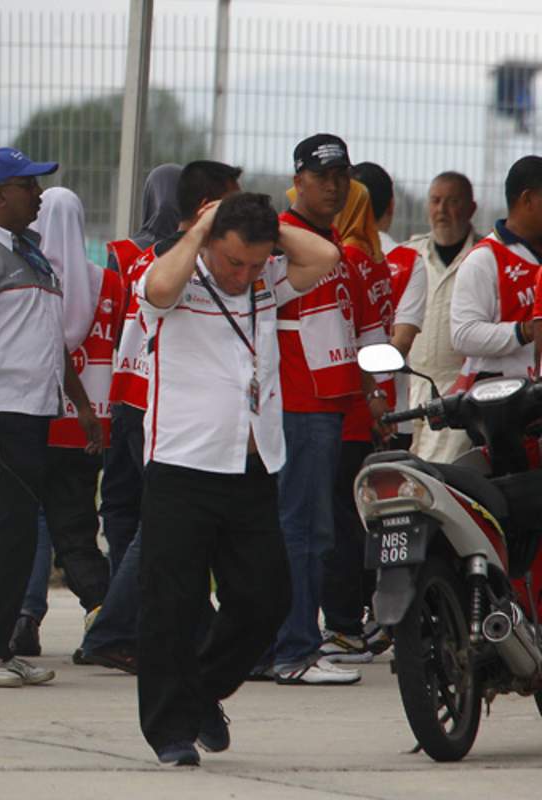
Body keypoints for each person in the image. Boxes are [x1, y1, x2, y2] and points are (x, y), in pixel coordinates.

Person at [135, 192, 342, 766]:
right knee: (172, 604)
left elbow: (325, 257)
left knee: (266, 597)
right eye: (233, 262)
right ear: (208, 242)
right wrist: (202, 229)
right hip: (182, 464)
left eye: (255, 262)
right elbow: (158, 290)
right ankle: (170, 731)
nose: (242, 275)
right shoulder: (176, 277)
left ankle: (202, 690)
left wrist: (267, 227)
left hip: (251, 465)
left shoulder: (264, 282)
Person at [0, 147, 102, 688]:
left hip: (31, 413)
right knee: (10, 530)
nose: (38, 195)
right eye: (28, 185)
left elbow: (51, 339)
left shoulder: (32, 254)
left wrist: (81, 404)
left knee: (7, 532)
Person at [82, 160, 242, 674]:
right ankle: (115, 629)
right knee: (163, 524)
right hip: (157, 401)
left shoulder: (134, 255)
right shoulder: (190, 260)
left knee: (141, 517)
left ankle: (173, 625)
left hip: (127, 395)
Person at [269, 133, 383, 687]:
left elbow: (353, 328)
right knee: (303, 531)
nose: (334, 186)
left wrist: (370, 389)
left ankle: (289, 643)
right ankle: (293, 649)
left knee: (313, 530)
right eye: (322, 176)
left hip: (330, 406)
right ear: (298, 180)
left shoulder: (336, 245)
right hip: (298, 404)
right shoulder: (280, 242)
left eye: (342, 177)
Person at [9, 187, 117, 658]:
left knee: (34, 523)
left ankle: (27, 617)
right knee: (77, 527)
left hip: (42, 418)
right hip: (92, 426)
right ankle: (103, 612)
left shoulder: (35, 279)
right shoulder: (109, 284)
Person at [319, 179, 394, 664]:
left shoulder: (341, 258)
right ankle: (365, 614)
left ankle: (344, 623)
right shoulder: (375, 259)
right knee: (357, 520)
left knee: (336, 524)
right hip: (370, 401)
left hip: (343, 407)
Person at [100, 164, 182, 571]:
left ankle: (121, 578)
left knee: (119, 496)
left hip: (124, 386)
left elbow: (113, 324)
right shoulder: (188, 255)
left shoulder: (124, 253)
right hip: (166, 391)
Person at [403, 172, 480, 461]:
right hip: (409, 386)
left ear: (471, 208)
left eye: (452, 202)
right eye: (435, 201)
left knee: (439, 474)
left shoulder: (484, 258)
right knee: (402, 471)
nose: (442, 210)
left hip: (456, 391)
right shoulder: (409, 255)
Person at [352, 161, 426, 451]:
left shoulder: (331, 256)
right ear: (391, 206)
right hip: (394, 413)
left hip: (342, 408)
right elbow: (402, 341)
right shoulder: (409, 262)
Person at [451, 155, 542, 383]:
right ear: (528, 199)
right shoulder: (484, 259)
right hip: (505, 396)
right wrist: (526, 331)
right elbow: (463, 335)